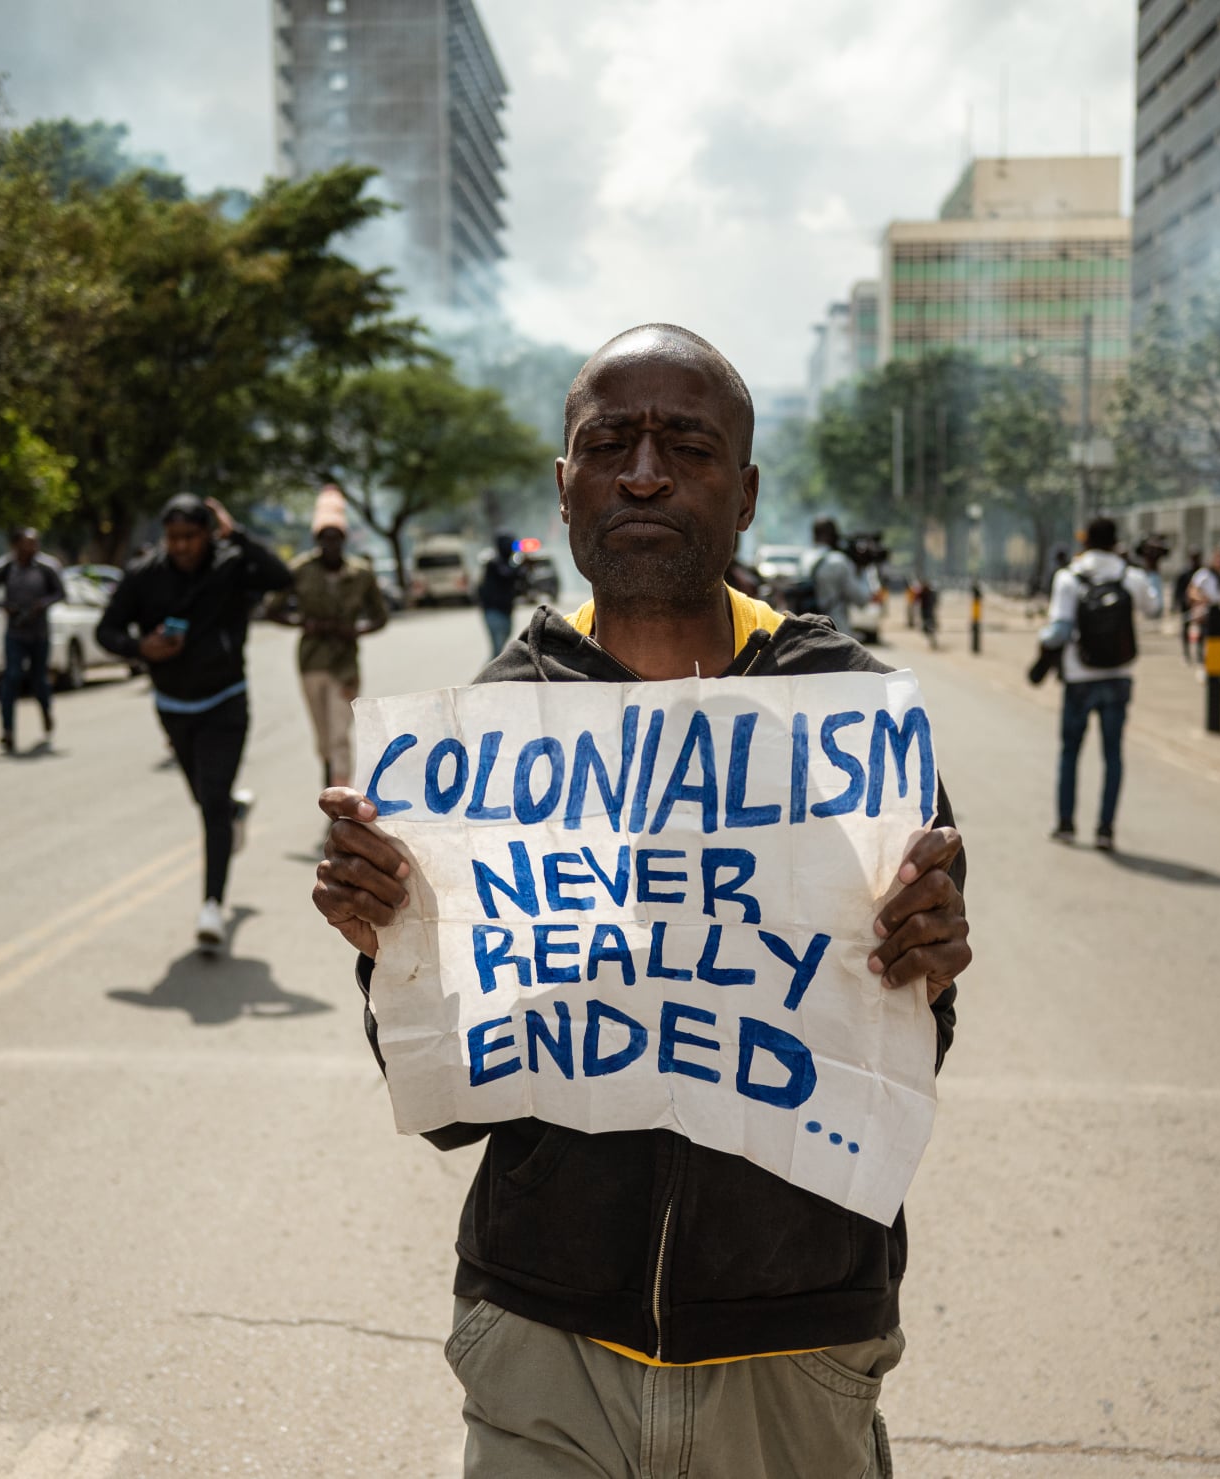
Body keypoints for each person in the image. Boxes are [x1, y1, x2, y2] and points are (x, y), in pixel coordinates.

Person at [311, 324, 971, 1479]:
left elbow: (896, 1048)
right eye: (608, 443)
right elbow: (455, 1098)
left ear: (747, 491)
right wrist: (387, 946)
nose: (645, 472)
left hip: (793, 1340)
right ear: (564, 489)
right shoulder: (482, 737)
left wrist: (932, 959)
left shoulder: (850, 718)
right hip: (542, 1339)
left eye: (687, 446)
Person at [98, 495, 292, 951]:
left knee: (209, 806)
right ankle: (232, 810)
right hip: (173, 706)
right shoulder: (145, 576)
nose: (182, 546)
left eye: (191, 536)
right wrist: (140, 648)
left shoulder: (231, 565)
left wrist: (237, 533)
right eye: (174, 538)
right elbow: (105, 630)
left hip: (226, 702)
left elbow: (281, 577)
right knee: (207, 799)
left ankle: (212, 906)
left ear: (208, 533)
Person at [1045, 517, 1162, 850]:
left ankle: (1066, 824)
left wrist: (1042, 648)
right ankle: (1105, 830)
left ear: (1084, 541)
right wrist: (1152, 567)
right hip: (1118, 676)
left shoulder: (1068, 577)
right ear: (1115, 542)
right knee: (1113, 755)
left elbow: (1059, 632)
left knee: (1070, 752)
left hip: (1079, 678)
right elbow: (1155, 609)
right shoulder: (1131, 576)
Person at [270, 487, 389, 788]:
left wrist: (356, 630)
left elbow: (380, 616)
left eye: (336, 537)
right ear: (317, 540)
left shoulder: (361, 573)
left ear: (344, 540)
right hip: (311, 661)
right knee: (323, 736)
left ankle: (341, 795)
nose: (331, 544)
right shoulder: (300, 570)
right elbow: (272, 609)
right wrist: (304, 623)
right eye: (325, 537)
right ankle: (330, 780)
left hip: (345, 663)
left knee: (339, 734)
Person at [0, 528, 64, 754]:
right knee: (12, 677)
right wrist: (5, 607)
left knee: (39, 679)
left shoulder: (46, 568)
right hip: (16, 634)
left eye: (35, 543)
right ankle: (7, 731)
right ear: (16, 545)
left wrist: (42, 604)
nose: (33, 547)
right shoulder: (5, 569)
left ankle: (46, 711)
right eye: (27, 543)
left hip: (39, 634)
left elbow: (60, 592)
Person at [808, 516, 875, 639]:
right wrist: (865, 568)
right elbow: (862, 599)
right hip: (835, 633)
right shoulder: (838, 562)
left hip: (805, 633)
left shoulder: (804, 558)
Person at [476, 532, 526, 657]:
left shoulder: (506, 562)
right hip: (494, 611)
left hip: (504, 611)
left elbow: (520, 581)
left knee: (501, 647)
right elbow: (507, 574)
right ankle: (490, 675)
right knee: (497, 651)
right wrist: (520, 565)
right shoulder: (494, 563)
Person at [1172, 547, 1205, 660]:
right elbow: (1178, 590)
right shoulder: (1184, 573)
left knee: (1202, 629)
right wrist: (1176, 604)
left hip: (1199, 606)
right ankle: (1187, 653)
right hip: (1186, 605)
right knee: (1186, 628)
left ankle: (1200, 652)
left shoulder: (1203, 573)